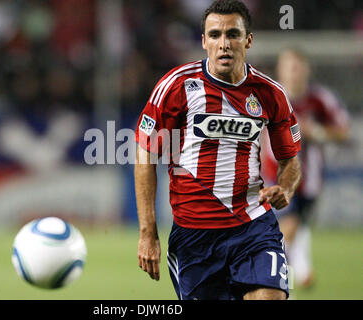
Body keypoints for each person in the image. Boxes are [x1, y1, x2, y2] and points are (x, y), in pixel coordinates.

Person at [134, 0, 302, 300]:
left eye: (233, 34)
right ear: (203, 41)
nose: (223, 44)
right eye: (214, 35)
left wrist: (286, 188)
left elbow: (291, 159)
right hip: (194, 236)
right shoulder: (176, 87)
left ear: (248, 40)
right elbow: (145, 156)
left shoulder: (270, 93)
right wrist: (148, 233)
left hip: (253, 227)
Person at [260, 48, 349, 289]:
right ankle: (276, 280)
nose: (293, 71)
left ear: (307, 69)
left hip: (309, 180)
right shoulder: (267, 97)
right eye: (288, 66)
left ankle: (296, 271)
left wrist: (316, 132)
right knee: (287, 226)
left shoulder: (319, 100)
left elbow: (343, 131)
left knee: (296, 225)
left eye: (297, 66)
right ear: (280, 69)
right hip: (272, 176)